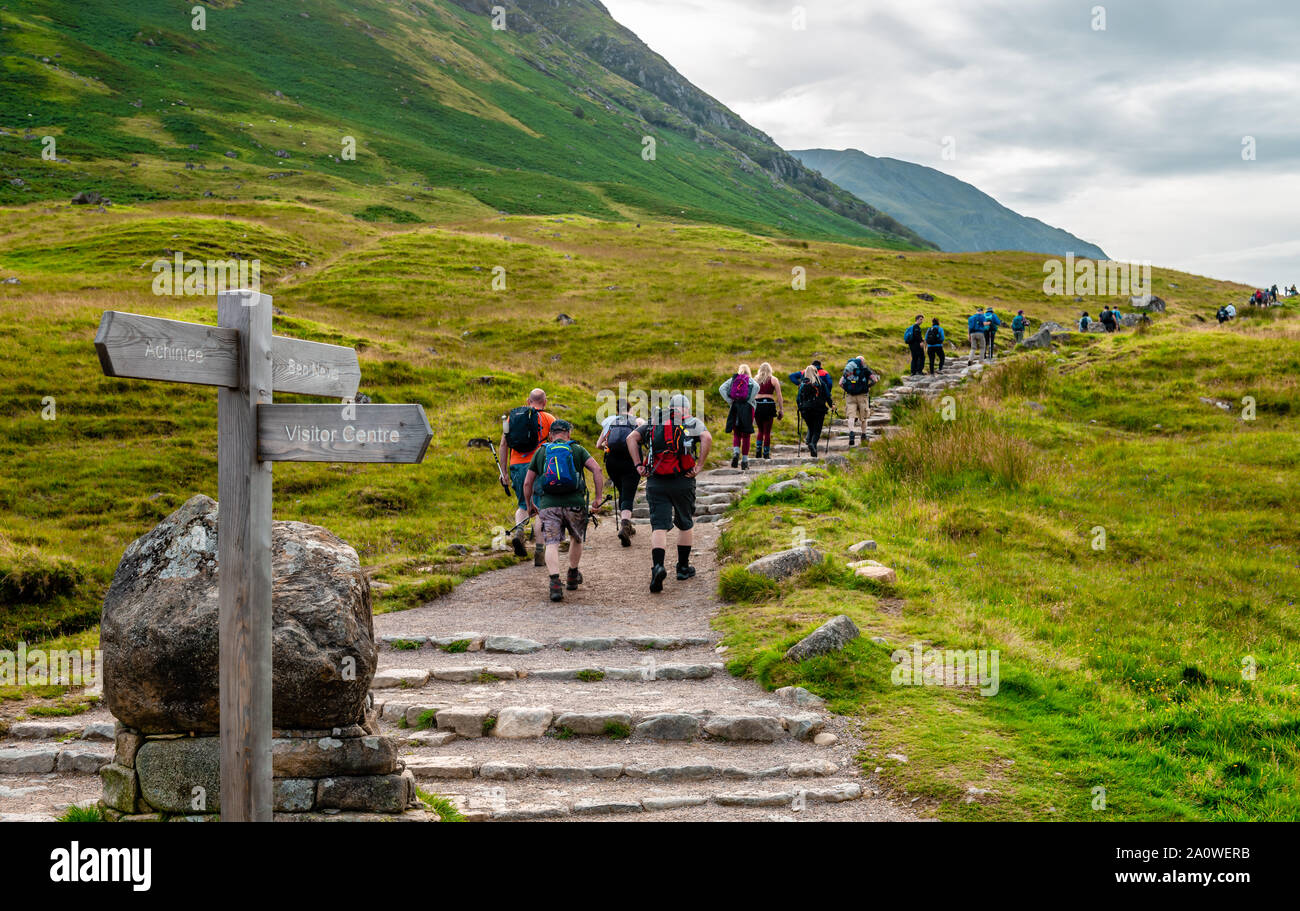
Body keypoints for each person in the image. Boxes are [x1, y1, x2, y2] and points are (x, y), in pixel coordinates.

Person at [626, 394, 712, 593]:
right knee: (685, 522)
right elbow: (706, 438)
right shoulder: (692, 422)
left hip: (656, 480)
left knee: (659, 525)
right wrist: (699, 465)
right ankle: (683, 568)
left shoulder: (654, 422)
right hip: (683, 479)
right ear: (687, 409)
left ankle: (658, 566)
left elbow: (631, 438)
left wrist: (638, 464)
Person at [523, 420, 604, 602]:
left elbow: (528, 482)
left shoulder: (542, 451)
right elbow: (597, 470)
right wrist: (598, 499)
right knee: (577, 538)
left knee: (551, 542)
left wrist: (530, 506)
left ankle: (555, 583)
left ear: (551, 434)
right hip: (575, 503)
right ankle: (573, 575)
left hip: (549, 505)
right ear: (568, 433)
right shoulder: (577, 449)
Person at [500, 388, 555, 563]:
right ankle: (539, 552)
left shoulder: (512, 418)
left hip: (517, 465)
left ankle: (519, 531)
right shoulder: (550, 419)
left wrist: (504, 472)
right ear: (544, 402)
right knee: (540, 507)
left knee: (523, 505)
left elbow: (503, 445)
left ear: (527, 401)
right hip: (539, 465)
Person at [596, 399, 645, 547]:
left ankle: (627, 525)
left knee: (622, 490)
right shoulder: (637, 421)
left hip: (612, 462)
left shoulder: (611, 422)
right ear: (630, 409)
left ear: (617, 410)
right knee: (628, 494)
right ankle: (625, 525)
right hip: (631, 461)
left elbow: (599, 445)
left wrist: (609, 446)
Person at [719, 364, 758, 470]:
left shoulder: (733, 379)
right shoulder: (750, 380)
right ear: (748, 371)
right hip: (748, 409)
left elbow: (721, 388)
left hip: (735, 407)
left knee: (736, 433)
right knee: (746, 435)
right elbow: (757, 387)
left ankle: (736, 453)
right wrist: (749, 400)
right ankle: (744, 461)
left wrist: (730, 401)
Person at [839, 354, 880, 447]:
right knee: (864, 417)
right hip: (862, 396)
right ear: (862, 362)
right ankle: (863, 435)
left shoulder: (848, 370)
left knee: (851, 416)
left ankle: (851, 434)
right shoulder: (865, 370)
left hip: (850, 396)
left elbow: (840, 383)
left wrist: (848, 390)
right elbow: (875, 380)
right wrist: (867, 387)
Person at [795, 365, 831, 458]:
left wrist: (800, 407)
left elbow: (798, 399)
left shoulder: (802, 384)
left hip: (806, 410)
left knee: (811, 428)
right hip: (819, 409)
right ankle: (813, 444)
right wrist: (831, 405)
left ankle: (812, 447)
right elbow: (827, 396)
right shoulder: (821, 383)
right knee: (817, 430)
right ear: (816, 372)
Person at [752, 362, 784, 461]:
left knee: (760, 430)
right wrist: (781, 409)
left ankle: (758, 451)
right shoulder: (774, 380)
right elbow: (779, 395)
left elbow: (750, 395)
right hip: (769, 405)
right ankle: (766, 453)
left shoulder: (754, 380)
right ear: (770, 370)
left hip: (758, 405)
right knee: (767, 432)